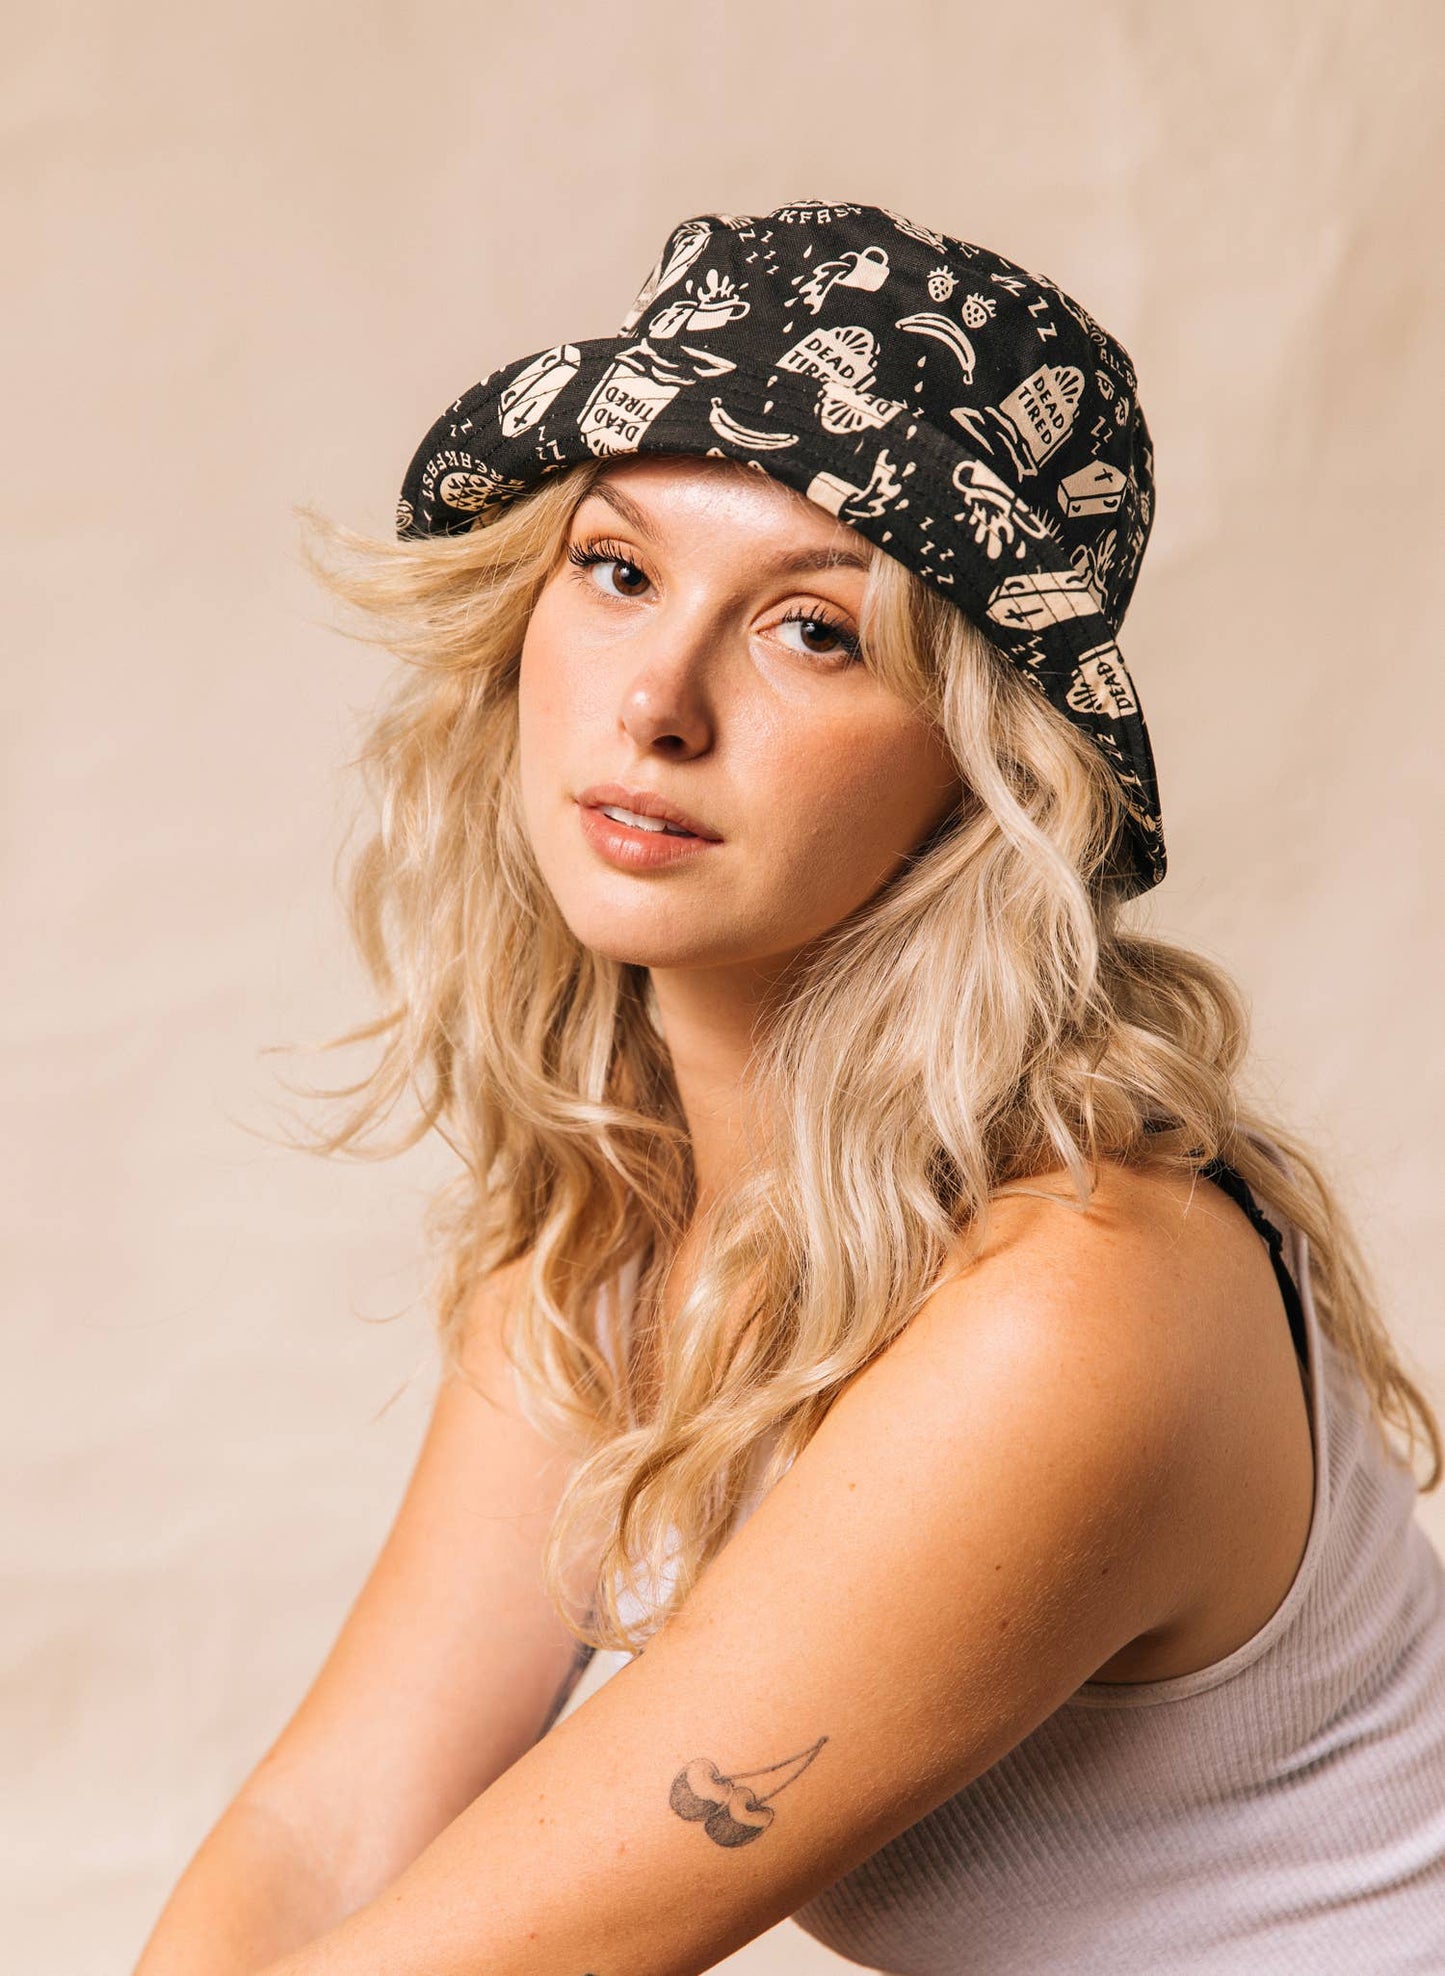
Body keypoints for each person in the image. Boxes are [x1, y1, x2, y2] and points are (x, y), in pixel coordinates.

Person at [133, 201, 1445, 1975]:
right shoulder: (622, 1221)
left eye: (814, 630)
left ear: (978, 762)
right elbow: (330, 1832)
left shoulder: (1075, 1301)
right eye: (618, 572)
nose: (657, 704)